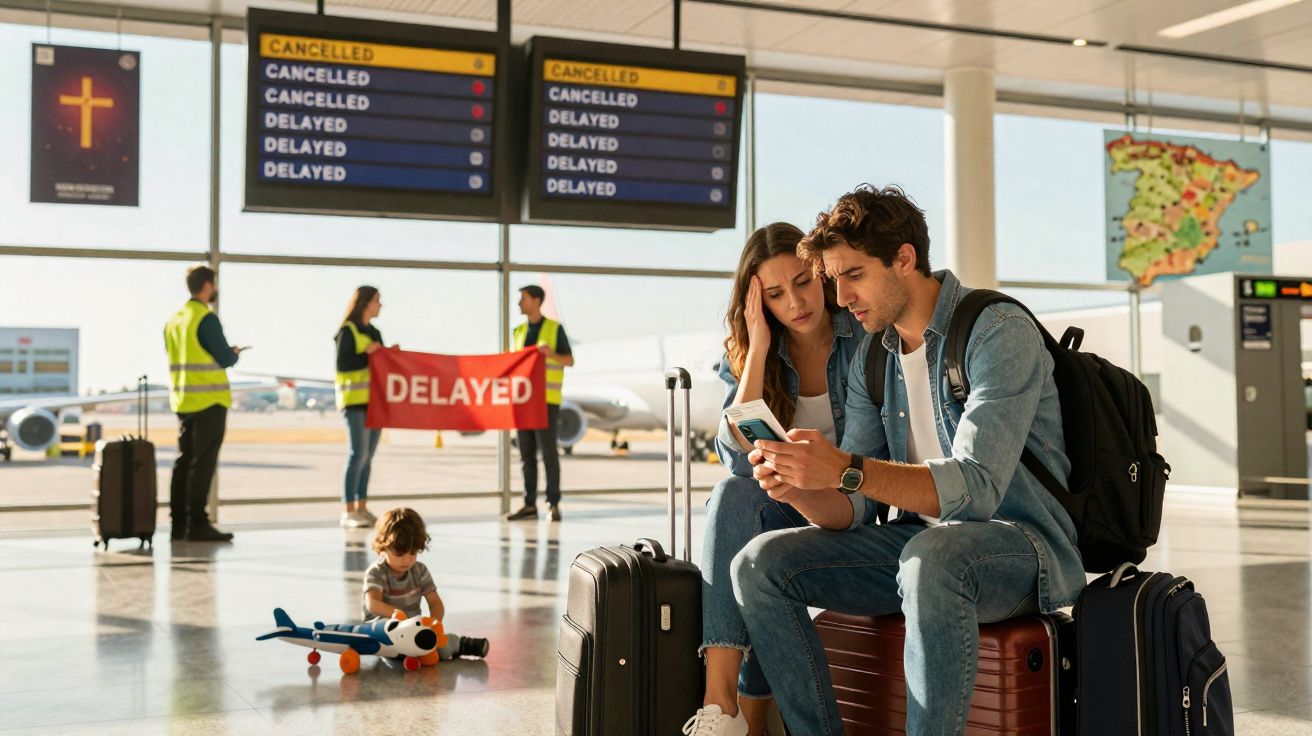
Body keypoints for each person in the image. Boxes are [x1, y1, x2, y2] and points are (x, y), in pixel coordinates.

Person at [729, 185, 1086, 736]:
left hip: (1020, 545)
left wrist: (844, 467)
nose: (841, 297)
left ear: (903, 258)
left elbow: (978, 487)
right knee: (757, 564)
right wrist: (799, 485)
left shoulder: (996, 331)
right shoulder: (876, 355)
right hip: (920, 545)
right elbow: (854, 509)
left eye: (854, 275)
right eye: (834, 279)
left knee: (933, 554)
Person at [682, 223, 864, 736]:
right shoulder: (750, 351)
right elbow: (735, 459)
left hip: (854, 502)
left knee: (747, 523)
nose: (796, 303)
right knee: (735, 497)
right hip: (787, 501)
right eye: (776, 295)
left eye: (804, 282)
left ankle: (745, 716)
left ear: (822, 276)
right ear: (758, 303)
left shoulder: (863, 338)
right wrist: (758, 349)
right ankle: (721, 705)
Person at [164, 265, 242, 543]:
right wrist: (233, 354)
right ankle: (198, 524)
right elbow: (224, 358)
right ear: (207, 286)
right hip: (209, 400)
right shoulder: (205, 318)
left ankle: (178, 525)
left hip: (183, 400)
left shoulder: (174, 320)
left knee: (183, 463)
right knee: (202, 465)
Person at [362, 507, 490, 660]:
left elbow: (435, 602)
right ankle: (415, 652)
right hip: (382, 629)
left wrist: (435, 623)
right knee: (406, 642)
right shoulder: (376, 572)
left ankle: (461, 644)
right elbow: (373, 603)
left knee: (435, 644)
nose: (407, 560)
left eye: (413, 553)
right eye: (399, 553)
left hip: (413, 629)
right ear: (383, 545)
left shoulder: (419, 571)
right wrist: (397, 615)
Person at [505, 285, 574, 522]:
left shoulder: (554, 330)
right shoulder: (518, 331)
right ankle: (529, 504)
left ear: (536, 301)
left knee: (548, 455)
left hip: (546, 402)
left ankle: (553, 504)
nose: (518, 303)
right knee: (526, 455)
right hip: (523, 402)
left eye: (522, 299)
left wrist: (551, 354)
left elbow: (569, 360)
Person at [336, 286, 387, 529]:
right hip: (354, 402)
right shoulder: (348, 331)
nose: (381, 305)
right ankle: (348, 510)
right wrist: (368, 354)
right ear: (365, 303)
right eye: (377, 301)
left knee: (368, 458)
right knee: (357, 455)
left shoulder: (374, 332)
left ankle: (362, 507)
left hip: (374, 403)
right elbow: (343, 365)